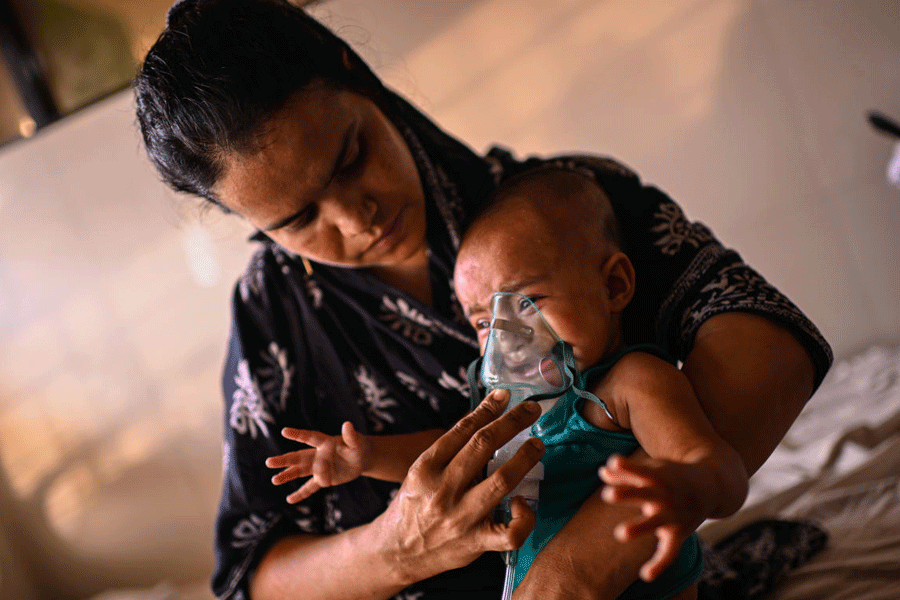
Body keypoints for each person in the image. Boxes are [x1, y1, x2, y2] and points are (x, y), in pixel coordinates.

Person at [132, 1, 832, 598]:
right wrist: (398, 547)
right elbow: (252, 576)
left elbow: (767, 340)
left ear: (357, 78)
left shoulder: (560, 209)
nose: (357, 218)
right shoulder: (272, 324)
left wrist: (578, 565)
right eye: (296, 221)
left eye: (351, 157)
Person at [266, 168, 750, 599]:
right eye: (482, 323)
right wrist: (368, 457)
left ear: (614, 285)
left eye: (528, 301)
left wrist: (687, 488)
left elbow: (720, 466)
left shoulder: (632, 384)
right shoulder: (517, 408)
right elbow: (453, 456)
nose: (508, 339)